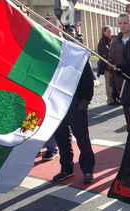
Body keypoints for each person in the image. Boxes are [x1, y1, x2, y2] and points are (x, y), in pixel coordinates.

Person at [42, 17, 96, 183]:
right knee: (61, 138)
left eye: (49, 27)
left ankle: (87, 169)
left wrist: (86, 99)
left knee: (82, 137)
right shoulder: (43, 51)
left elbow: (87, 76)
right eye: (43, 27)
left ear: (58, 27)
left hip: (75, 99)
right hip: (55, 102)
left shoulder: (73, 49)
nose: (46, 30)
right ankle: (66, 168)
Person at [108, 12, 130, 111]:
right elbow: (111, 65)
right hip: (121, 85)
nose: (122, 26)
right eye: (120, 23)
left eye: (125, 23)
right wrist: (113, 87)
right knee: (128, 117)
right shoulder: (114, 44)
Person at [97, 25, 114, 105]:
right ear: (104, 32)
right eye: (108, 31)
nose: (110, 33)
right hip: (106, 66)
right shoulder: (103, 42)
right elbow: (109, 53)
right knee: (108, 83)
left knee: (111, 82)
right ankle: (110, 99)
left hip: (109, 65)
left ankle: (112, 98)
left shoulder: (108, 40)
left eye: (110, 31)